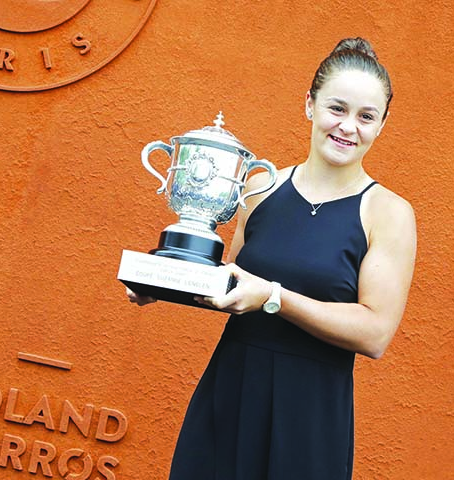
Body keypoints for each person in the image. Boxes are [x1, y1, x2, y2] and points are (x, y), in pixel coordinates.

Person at [127, 37, 416, 480]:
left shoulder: (387, 213)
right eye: (337, 108)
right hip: (231, 394)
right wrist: (164, 282)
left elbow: (375, 333)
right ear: (310, 105)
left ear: (382, 123)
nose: (347, 127)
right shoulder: (259, 189)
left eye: (366, 116)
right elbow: (231, 284)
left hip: (311, 416)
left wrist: (276, 297)